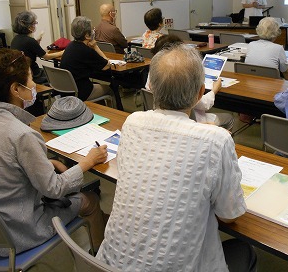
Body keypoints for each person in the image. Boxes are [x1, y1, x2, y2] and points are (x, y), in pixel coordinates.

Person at [97, 44, 256, 272]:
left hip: (109, 265)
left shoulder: (132, 122)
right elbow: (230, 215)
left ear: (150, 87)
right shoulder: (216, 140)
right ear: (201, 93)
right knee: (244, 250)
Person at [0, 48, 109, 256]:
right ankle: (101, 261)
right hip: (18, 229)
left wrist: (47, 163)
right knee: (91, 201)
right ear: (16, 89)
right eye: (30, 79)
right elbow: (55, 189)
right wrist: (88, 162)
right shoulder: (23, 135)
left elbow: (5, 164)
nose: (34, 86)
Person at [145, 34, 235, 130]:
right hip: (191, 122)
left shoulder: (153, 73)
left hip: (162, 120)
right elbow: (204, 104)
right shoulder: (183, 82)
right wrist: (214, 90)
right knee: (228, 118)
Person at [60, 16, 117, 108]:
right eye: (92, 30)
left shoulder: (70, 46)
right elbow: (107, 65)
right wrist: (96, 47)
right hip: (81, 91)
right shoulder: (85, 50)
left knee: (98, 86)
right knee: (111, 89)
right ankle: (113, 115)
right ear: (87, 35)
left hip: (67, 91)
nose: (93, 31)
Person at [11, 11, 64, 84]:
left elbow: (29, 51)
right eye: (34, 23)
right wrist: (63, 52)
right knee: (61, 75)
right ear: (28, 26)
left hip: (22, 74)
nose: (35, 25)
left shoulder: (15, 39)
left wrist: (37, 42)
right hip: (35, 75)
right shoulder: (30, 41)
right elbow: (46, 57)